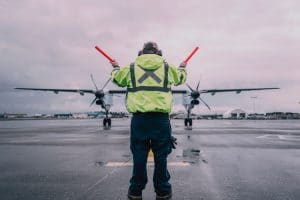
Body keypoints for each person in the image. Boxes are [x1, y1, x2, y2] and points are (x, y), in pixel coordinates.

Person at [110, 41, 187, 200]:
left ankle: (135, 191)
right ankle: (163, 191)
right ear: (158, 52)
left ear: (141, 53)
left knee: (139, 155)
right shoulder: (167, 67)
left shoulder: (131, 68)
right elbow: (180, 78)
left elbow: (117, 79)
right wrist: (182, 67)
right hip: (161, 120)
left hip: (140, 120)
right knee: (161, 156)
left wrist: (116, 67)